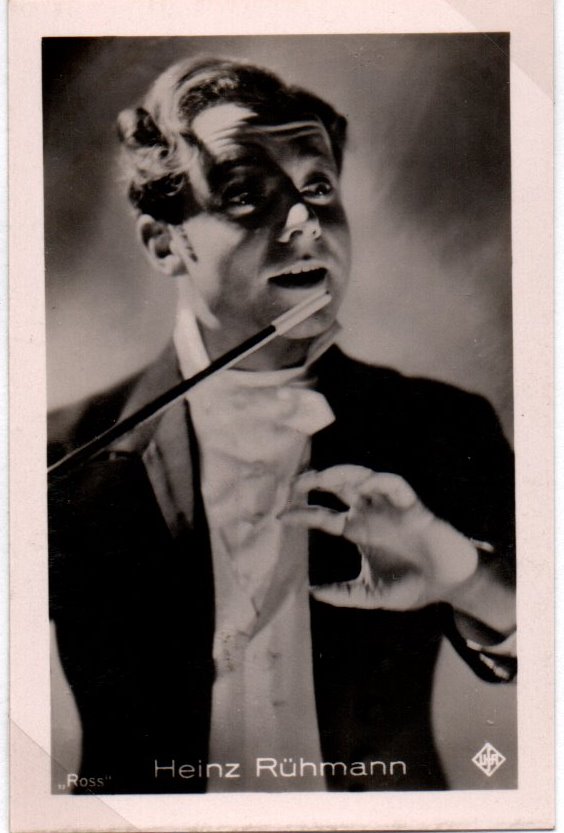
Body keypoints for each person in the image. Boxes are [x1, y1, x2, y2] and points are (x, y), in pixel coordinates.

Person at [48, 56, 516, 795]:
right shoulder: (58, 459)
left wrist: (467, 575)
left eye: (319, 188)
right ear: (164, 242)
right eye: (244, 194)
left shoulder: (441, 426)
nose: (305, 221)